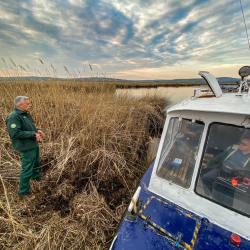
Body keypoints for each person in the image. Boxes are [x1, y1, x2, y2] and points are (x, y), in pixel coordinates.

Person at [6, 96, 45, 200]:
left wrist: (37, 130)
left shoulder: (25, 114)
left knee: (36, 162)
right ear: (20, 105)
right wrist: (33, 134)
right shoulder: (13, 117)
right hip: (25, 146)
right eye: (28, 104)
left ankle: (36, 177)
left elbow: (27, 128)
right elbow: (15, 132)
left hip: (32, 143)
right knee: (27, 168)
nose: (30, 105)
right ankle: (23, 192)